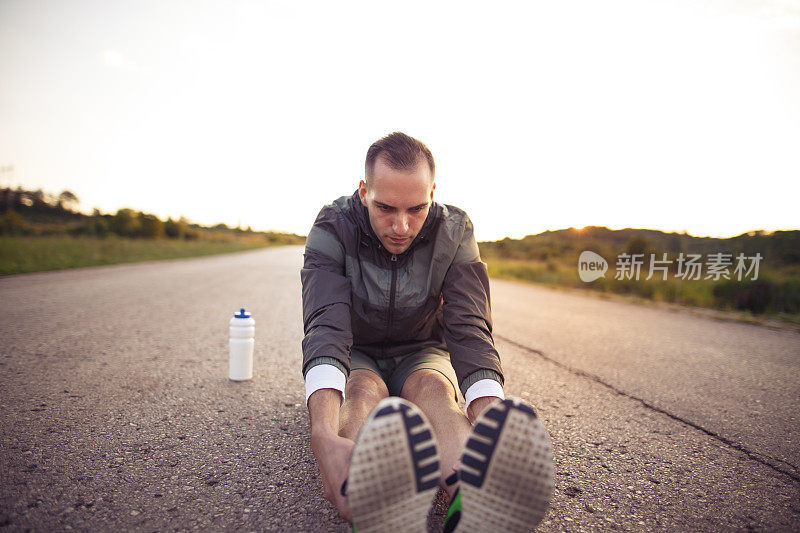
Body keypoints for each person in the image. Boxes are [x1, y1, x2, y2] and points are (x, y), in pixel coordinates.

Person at [301, 132, 552, 531]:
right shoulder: (333, 225)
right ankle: (373, 499)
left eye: (417, 208)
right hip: (357, 351)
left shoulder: (455, 231)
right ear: (364, 190)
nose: (401, 226)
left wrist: (489, 413)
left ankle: (475, 500)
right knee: (362, 392)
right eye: (385, 207)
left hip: (422, 351)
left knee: (435, 391)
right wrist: (322, 436)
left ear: (433, 192)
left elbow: (469, 327)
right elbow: (325, 326)